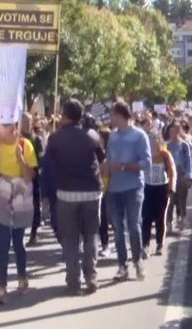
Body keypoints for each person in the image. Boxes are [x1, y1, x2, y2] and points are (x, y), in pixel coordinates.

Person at [45, 100, 105, 295]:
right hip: (91, 191)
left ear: (65, 115)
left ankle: (73, 280)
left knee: (70, 238)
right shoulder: (92, 136)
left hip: (66, 193)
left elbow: (49, 165)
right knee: (91, 235)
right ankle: (91, 277)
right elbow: (101, 157)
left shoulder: (54, 138)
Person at [0, 121, 38, 304]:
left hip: (21, 195)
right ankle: (2, 285)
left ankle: (22, 277)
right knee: (3, 241)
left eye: (2, 127)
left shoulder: (25, 145)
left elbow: (29, 176)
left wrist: (20, 157)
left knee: (18, 241)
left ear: (12, 128)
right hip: (1, 195)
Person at [104, 101, 151, 282]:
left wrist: (123, 166)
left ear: (121, 115)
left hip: (133, 188)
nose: (111, 118)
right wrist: (105, 168)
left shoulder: (139, 136)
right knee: (118, 229)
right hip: (115, 189)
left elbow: (145, 163)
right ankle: (122, 266)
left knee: (133, 226)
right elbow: (109, 158)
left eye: (113, 114)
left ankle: (138, 261)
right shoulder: (112, 137)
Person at [142, 131, 176, 258]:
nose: (151, 142)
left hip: (161, 188)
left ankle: (159, 244)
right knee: (146, 217)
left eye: (154, 140)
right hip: (147, 188)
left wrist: (170, 187)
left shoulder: (165, 154)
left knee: (160, 217)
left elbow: (172, 172)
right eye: (149, 140)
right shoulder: (143, 154)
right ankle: (145, 245)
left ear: (158, 141)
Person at [166, 120, 192, 233]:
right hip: (170, 175)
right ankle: (169, 223)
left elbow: (188, 161)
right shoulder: (167, 146)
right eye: (171, 129)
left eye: (176, 129)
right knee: (170, 201)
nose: (173, 132)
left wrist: (189, 176)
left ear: (179, 131)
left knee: (182, 199)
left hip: (182, 175)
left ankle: (182, 220)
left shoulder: (184, 145)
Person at [21, 112, 44, 247]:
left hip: (33, 177)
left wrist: (36, 171)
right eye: (24, 121)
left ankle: (33, 233)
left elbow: (41, 158)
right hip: (18, 177)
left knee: (35, 205)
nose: (26, 123)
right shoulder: (16, 138)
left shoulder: (37, 139)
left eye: (28, 121)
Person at [97, 128, 112, 257]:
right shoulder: (97, 152)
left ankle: (106, 245)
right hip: (99, 188)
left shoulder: (110, 153)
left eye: (100, 137)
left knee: (105, 219)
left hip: (109, 189)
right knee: (100, 219)